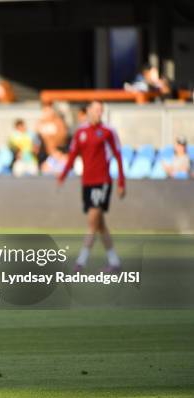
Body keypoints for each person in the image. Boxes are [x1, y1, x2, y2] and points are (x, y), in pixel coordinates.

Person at [57, 101, 126, 272]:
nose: (97, 113)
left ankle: (81, 262)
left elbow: (118, 155)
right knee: (100, 224)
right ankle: (114, 261)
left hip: (102, 182)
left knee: (92, 221)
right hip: (87, 182)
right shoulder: (80, 132)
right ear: (88, 111)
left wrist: (121, 182)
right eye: (95, 110)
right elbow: (72, 155)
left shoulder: (108, 132)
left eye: (100, 111)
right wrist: (63, 176)